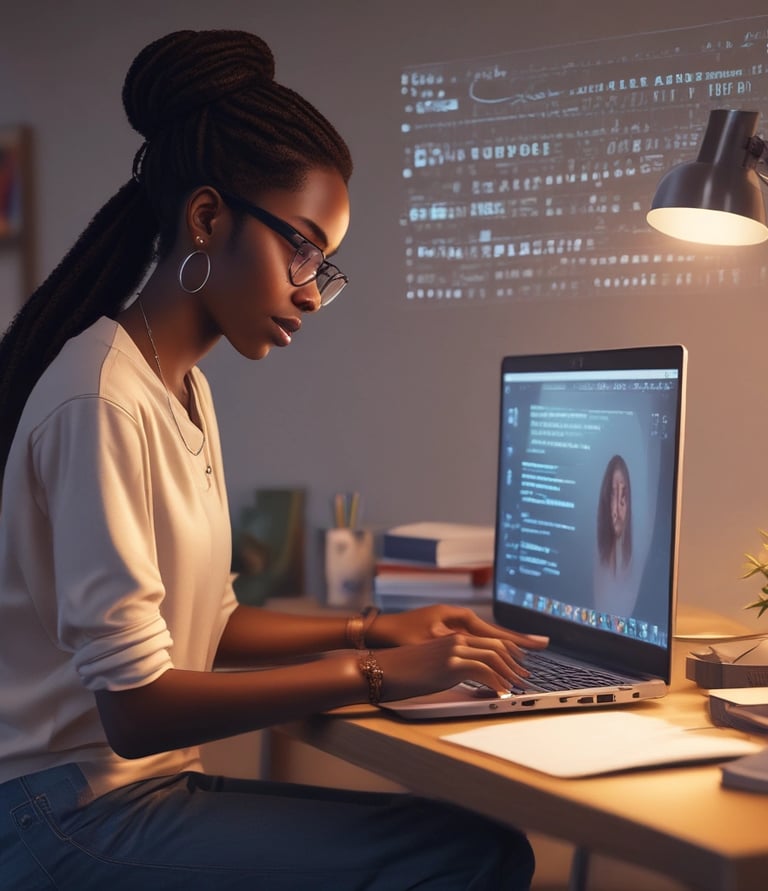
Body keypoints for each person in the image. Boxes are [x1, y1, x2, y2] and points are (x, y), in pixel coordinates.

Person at [0, 29, 548, 890]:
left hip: (130, 788)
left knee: (471, 839)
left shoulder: (179, 388)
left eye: (325, 267)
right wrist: (372, 674)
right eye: (301, 248)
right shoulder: (98, 398)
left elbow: (207, 623)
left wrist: (374, 628)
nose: (309, 291)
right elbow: (137, 709)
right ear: (208, 216)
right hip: (61, 812)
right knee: (467, 856)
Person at [594, 454, 637, 615]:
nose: (617, 511)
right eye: (612, 494)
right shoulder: (597, 564)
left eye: (623, 496)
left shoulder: (634, 567)